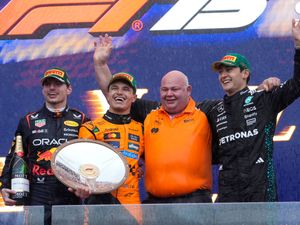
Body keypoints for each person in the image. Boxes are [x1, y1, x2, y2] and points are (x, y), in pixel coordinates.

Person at [207, 19, 300, 202]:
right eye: (221, 72)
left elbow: (297, 84)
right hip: (228, 197)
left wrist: (299, 47)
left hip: (261, 195)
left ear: (245, 73)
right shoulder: (213, 109)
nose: (224, 75)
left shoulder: (264, 99)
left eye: (229, 70)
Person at [0, 67, 90, 225]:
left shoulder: (82, 120)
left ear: (69, 89)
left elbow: (90, 159)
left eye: (57, 84)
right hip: (37, 194)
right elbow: (14, 156)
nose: (52, 88)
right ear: (42, 90)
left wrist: (88, 186)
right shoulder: (28, 121)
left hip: (69, 193)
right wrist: (5, 185)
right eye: (47, 84)